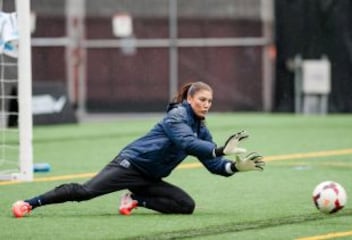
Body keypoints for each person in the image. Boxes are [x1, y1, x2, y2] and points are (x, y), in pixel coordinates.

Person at [12, 81, 265, 218]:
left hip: (150, 178)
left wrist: (234, 167)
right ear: (189, 99)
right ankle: (30, 203)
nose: (206, 104)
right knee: (85, 192)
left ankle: (134, 199)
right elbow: (187, 144)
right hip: (129, 165)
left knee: (186, 206)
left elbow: (212, 164)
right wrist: (220, 150)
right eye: (202, 100)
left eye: (210, 101)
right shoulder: (176, 116)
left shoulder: (201, 128)